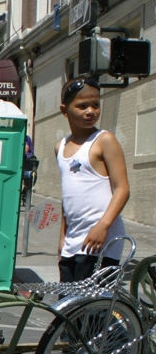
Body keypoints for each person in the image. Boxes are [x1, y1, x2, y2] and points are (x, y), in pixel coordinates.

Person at [55, 76, 129, 283]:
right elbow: (67, 197)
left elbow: (122, 188)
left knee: (93, 310)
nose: (91, 111)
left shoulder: (104, 140)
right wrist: (62, 238)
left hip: (100, 241)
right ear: (64, 110)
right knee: (69, 308)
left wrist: (102, 226)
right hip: (73, 242)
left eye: (96, 104)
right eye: (82, 106)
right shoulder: (60, 147)